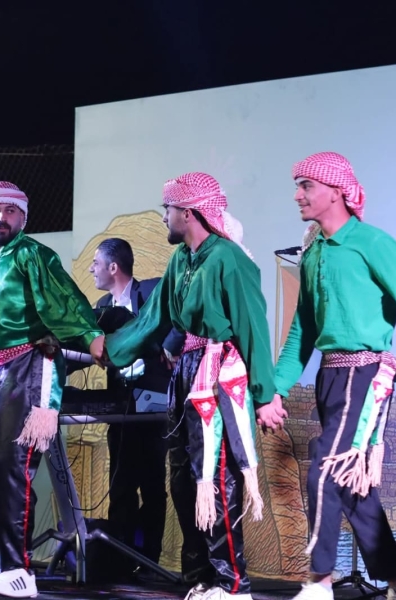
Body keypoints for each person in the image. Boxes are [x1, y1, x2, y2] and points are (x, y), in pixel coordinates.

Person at [264, 152, 396, 600]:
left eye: (306, 186)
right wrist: (275, 389)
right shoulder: (314, 253)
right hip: (331, 377)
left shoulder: (372, 242)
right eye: (297, 186)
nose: (297, 195)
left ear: (336, 191)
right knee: (351, 484)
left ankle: (319, 580)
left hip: (364, 374)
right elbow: (301, 332)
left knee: (326, 470)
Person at [104, 172, 273, 600]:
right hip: (186, 372)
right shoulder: (182, 259)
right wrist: (109, 349)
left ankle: (232, 584)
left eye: (168, 209)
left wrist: (265, 396)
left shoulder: (228, 258)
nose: (164, 217)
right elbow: (153, 319)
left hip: (220, 371)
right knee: (184, 480)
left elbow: (253, 328)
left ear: (189, 212)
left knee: (217, 478)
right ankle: (202, 577)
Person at [0, 181, 105, 598]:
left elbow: (64, 304)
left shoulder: (34, 255)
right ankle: (9, 569)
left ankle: (19, 571)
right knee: (3, 471)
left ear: (23, 217)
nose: (2, 217)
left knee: (15, 468)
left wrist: (91, 338)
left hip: (31, 364)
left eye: (11, 211)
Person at [88, 237, 183, 570]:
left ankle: (149, 561)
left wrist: (168, 347)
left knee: (153, 484)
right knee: (121, 483)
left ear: (113, 267)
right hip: (120, 407)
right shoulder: (102, 306)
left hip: (154, 406)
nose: (91, 269)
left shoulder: (153, 291)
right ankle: (120, 558)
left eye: (96, 263)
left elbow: (181, 313)